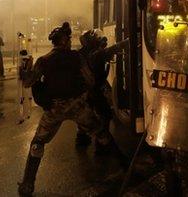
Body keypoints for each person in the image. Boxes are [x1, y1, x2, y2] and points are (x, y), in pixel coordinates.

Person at [18, 22, 127, 196]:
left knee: (38, 143)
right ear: (64, 41)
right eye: (68, 39)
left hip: (54, 109)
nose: (70, 41)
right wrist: (81, 95)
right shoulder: (76, 58)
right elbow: (90, 80)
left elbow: (28, 81)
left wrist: (24, 70)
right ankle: (125, 167)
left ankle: (27, 185)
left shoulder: (43, 61)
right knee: (101, 133)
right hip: (77, 106)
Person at [75, 30, 129, 152]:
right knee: (104, 113)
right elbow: (113, 49)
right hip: (93, 90)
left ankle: (81, 138)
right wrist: (128, 41)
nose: (100, 40)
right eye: (97, 39)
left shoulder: (81, 53)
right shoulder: (96, 54)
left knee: (85, 113)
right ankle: (102, 145)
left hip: (84, 90)